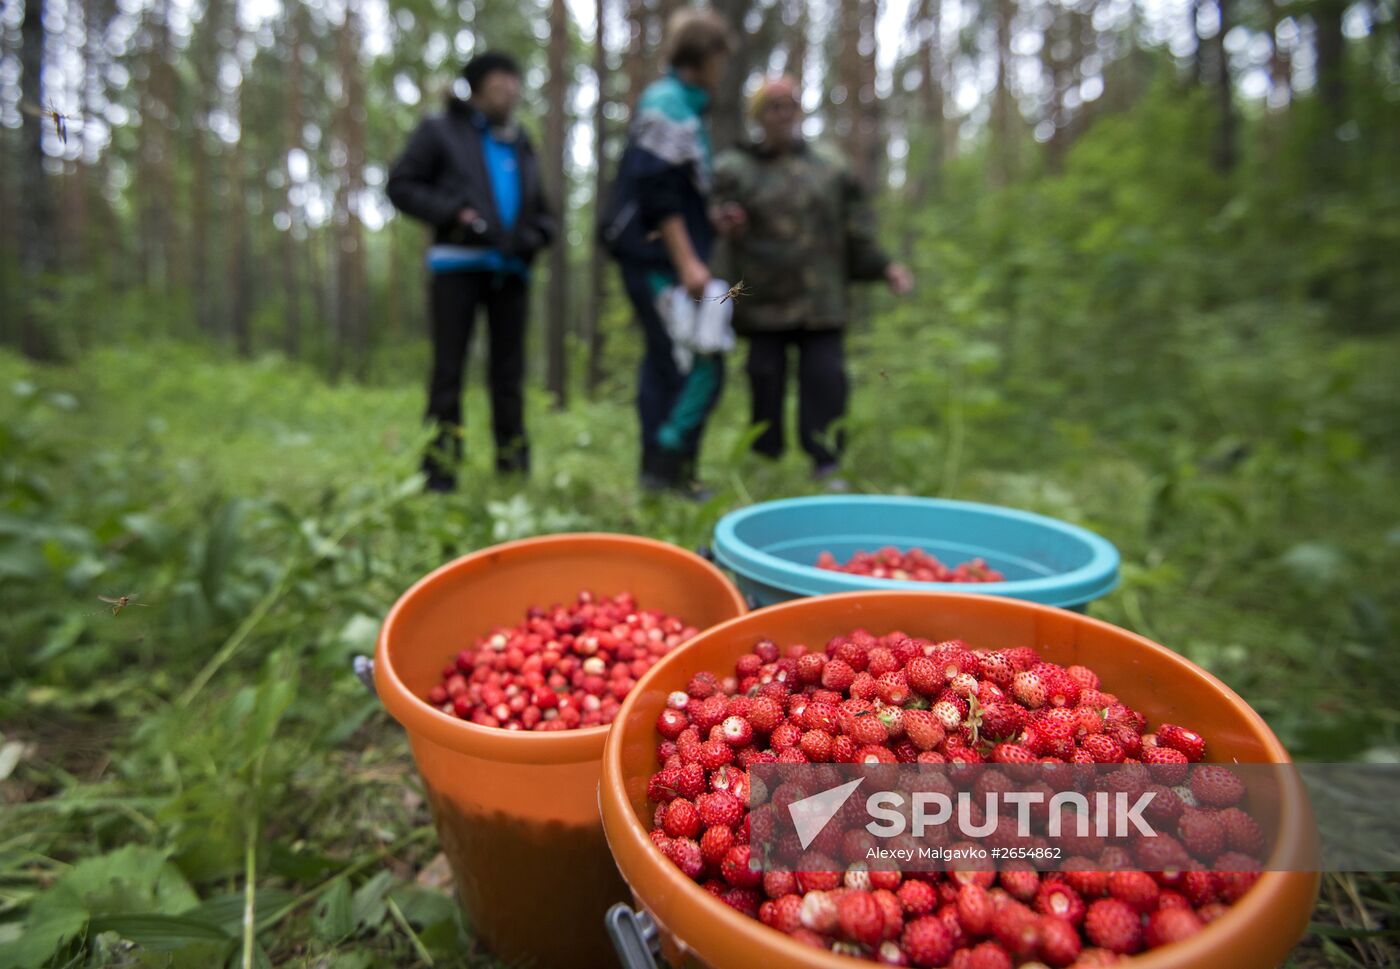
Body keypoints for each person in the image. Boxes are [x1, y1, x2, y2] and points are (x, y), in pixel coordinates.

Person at [711, 75, 913, 483]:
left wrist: (884, 266)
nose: (784, 113)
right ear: (759, 116)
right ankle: (765, 464)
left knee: (825, 380)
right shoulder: (734, 168)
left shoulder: (831, 166)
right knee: (764, 378)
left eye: (790, 105)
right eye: (773, 106)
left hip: (822, 300)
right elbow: (711, 210)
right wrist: (724, 221)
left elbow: (856, 227)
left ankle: (826, 463)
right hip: (763, 300)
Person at [386, 51, 557, 493]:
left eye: (515, 79)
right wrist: (455, 215)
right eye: (500, 78)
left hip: (511, 272)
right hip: (457, 267)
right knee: (449, 370)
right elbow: (402, 185)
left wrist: (534, 237)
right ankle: (440, 472)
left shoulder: (522, 142)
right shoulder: (441, 130)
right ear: (479, 85)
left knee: (509, 373)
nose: (510, 87)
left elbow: (544, 212)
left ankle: (513, 469)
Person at [600, 9, 732, 495]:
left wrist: (712, 223)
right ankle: (663, 470)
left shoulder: (686, 107)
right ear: (705, 53)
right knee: (689, 362)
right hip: (658, 262)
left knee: (679, 359)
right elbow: (657, 190)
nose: (724, 67)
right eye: (721, 56)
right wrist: (688, 261)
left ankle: (670, 472)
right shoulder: (667, 102)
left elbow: (677, 188)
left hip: (668, 259)